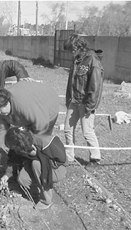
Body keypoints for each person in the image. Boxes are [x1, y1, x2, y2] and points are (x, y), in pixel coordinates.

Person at [63, 34, 104, 170]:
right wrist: (68, 98)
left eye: (71, 50)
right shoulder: (76, 61)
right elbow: (71, 82)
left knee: (87, 132)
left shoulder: (92, 61)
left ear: (78, 47)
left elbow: (95, 86)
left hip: (85, 103)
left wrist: (90, 106)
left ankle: (95, 158)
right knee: (68, 130)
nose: (70, 53)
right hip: (74, 101)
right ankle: (69, 156)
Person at [1, 127, 67, 210]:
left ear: (20, 144)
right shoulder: (17, 147)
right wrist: (7, 175)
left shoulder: (46, 142)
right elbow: (12, 160)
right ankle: (37, 191)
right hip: (38, 167)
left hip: (57, 170)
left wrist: (38, 156)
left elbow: (61, 160)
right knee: (23, 180)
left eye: (13, 147)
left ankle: (46, 200)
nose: (13, 149)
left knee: (36, 164)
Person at [0, 82, 60, 156]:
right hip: (28, 111)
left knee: (38, 145)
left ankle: (42, 161)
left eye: (0, 110)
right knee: (20, 139)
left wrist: (32, 144)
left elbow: (42, 126)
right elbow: (1, 127)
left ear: (7, 103)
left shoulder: (26, 107)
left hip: (48, 104)